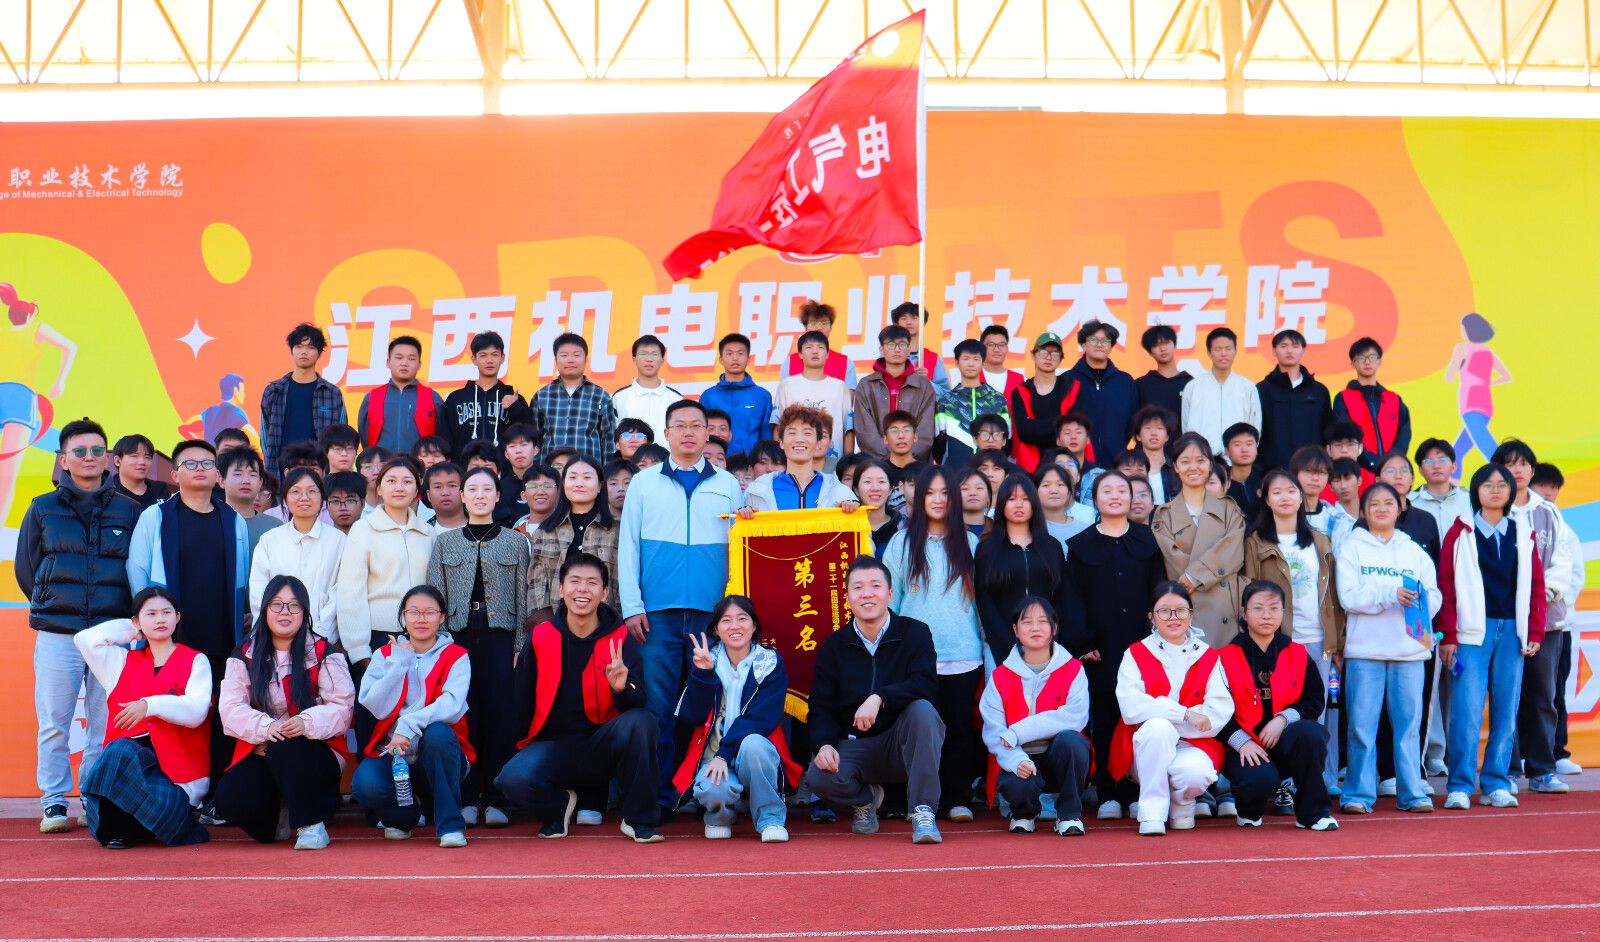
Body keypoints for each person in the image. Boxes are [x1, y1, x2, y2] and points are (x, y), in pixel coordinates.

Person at [617, 399, 743, 814]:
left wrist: (732, 611)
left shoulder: (727, 483)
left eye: (696, 425)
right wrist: (633, 606)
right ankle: (657, 797)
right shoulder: (644, 483)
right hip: (658, 613)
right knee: (659, 707)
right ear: (667, 433)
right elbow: (628, 546)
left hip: (711, 614)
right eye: (680, 426)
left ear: (708, 433)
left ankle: (698, 790)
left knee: (705, 706)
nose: (688, 432)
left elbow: (738, 547)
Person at [14, 418, 140, 833]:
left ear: (108, 458)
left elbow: (136, 569)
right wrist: (55, 605)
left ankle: (92, 796)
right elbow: (27, 569)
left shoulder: (129, 510)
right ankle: (53, 802)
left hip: (110, 634)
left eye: (97, 450)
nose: (89, 457)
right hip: (57, 631)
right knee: (55, 721)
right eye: (80, 451)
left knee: (104, 724)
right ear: (63, 460)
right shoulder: (42, 508)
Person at [497, 553, 663, 842]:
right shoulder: (541, 636)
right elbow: (521, 701)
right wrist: (522, 752)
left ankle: (639, 821)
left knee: (642, 722)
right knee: (511, 779)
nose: (582, 589)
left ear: (605, 592)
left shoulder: (619, 637)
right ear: (561, 589)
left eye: (592, 583)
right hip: (555, 747)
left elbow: (638, 703)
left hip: (604, 745)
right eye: (574, 581)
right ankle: (558, 807)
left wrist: (622, 688)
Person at [126, 438, 250, 787]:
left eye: (207, 463)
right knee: (173, 716)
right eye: (190, 463)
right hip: (172, 640)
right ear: (175, 474)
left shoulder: (233, 520)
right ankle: (171, 790)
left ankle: (217, 795)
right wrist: (151, 625)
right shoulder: (156, 517)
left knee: (221, 716)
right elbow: (138, 572)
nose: (199, 469)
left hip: (222, 638)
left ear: (218, 475)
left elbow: (242, 578)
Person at [804, 556, 945, 843]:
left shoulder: (915, 633)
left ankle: (923, 810)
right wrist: (824, 744)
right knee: (818, 776)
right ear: (847, 598)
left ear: (890, 594)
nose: (867, 594)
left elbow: (926, 685)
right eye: (858, 587)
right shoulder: (834, 646)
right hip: (856, 746)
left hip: (901, 744)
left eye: (875, 586)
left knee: (923, 710)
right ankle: (866, 800)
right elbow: (820, 706)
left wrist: (880, 697)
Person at [214, 576, 355, 849]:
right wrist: (267, 728)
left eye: (294, 605)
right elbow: (230, 709)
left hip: (317, 750)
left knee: (287, 749)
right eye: (277, 604)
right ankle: (277, 818)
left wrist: (305, 723)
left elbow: (343, 707)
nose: (285, 612)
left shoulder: (324, 651)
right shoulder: (244, 654)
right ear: (265, 609)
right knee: (229, 796)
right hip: (264, 746)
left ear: (305, 611)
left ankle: (312, 826)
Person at [1437, 463, 1546, 811]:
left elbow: (1537, 586)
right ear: (1476, 491)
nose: (1495, 490)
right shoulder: (1460, 532)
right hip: (1471, 634)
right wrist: (1448, 635)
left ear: (1511, 491)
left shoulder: (1523, 532)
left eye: (1502, 484)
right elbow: (1446, 587)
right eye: (1487, 484)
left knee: (1506, 711)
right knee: (1466, 712)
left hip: (1512, 633)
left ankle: (1496, 782)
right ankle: (1459, 785)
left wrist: (1535, 630)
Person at [427, 466, 529, 827]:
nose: (480, 495)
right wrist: (440, 644)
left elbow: (524, 596)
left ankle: (497, 798)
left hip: (502, 636)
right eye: (473, 489)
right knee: (463, 713)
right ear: (463, 497)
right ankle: (468, 797)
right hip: (458, 636)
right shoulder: (445, 542)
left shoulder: (515, 542)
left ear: (498, 496)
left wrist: (520, 644)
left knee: (500, 714)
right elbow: (435, 594)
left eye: (488, 489)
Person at [883, 466, 984, 824]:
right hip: (914, 658)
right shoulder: (901, 543)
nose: (938, 500)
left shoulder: (970, 543)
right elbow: (890, 601)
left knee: (957, 729)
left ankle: (957, 798)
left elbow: (979, 603)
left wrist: (984, 644)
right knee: (916, 729)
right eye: (930, 493)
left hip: (962, 652)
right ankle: (913, 798)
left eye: (945, 493)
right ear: (918, 497)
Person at [73, 587, 212, 848]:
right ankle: (131, 829)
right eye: (151, 614)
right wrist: (132, 629)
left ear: (177, 618)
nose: (160, 619)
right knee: (120, 751)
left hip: (176, 783)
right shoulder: (120, 662)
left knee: (122, 752)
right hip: (127, 781)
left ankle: (158, 825)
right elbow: (85, 640)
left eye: (166, 613)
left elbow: (196, 712)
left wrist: (149, 705)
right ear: (137, 621)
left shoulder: (196, 661)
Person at [1063, 471, 1165, 820]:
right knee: (1105, 717)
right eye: (1107, 490)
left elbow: (1158, 589)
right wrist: (1083, 640)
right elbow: (1072, 598)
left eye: (1123, 490)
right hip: (1100, 648)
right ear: (1095, 499)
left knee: (1141, 716)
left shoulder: (1147, 540)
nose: (1116, 496)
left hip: (1142, 646)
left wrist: (1157, 636)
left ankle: (1137, 790)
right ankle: (1107, 790)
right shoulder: (1080, 545)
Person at [1336, 482, 1441, 815]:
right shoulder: (1351, 548)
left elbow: (1434, 596)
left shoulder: (1414, 552)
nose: (1381, 509)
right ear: (1364, 511)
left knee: (1409, 728)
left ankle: (1412, 793)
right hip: (1364, 652)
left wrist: (1420, 602)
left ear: (1400, 509)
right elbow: (1348, 597)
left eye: (1388, 503)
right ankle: (1357, 794)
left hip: (1409, 652)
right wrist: (1389, 594)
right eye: (1374, 504)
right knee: (1361, 728)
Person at [1242, 468, 1343, 791]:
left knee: (1322, 711)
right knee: (1279, 711)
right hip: (1279, 642)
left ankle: (1322, 781)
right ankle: (1286, 784)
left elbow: (1334, 596)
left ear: (1301, 497)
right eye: (1277, 492)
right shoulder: (1256, 542)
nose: (1285, 497)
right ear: (1266, 499)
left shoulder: (1320, 540)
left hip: (1319, 639)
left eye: (1291, 491)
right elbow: (1249, 591)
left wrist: (1337, 641)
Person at [353, 584, 474, 847]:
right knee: (364, 784)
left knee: (438, 733)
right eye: (414, 612)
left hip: (440, 756)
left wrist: (408, 724)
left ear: (442, 617)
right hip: (396, 755)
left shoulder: (457, 656)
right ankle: (404, 818)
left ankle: (451, 826)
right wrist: (398, 662)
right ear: (403, 616)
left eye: (429, 612)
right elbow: (375, 705)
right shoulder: (384, 655)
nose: (421, 619)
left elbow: (452, 705)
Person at [671, 597, 801, 841]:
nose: (735, 626)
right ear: (716, 629)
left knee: (754, 744)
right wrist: (702, 674)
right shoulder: (707, 659)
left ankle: (770, 818)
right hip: (712, 755)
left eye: (742, 619)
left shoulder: (769, 662)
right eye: (726, 620)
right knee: (713, 790)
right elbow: (692, 716)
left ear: (754, 625)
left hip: (751, 753)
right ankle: (720, 816)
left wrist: (725, 753)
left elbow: (761, 719)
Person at [1110, 583, 1233, 836]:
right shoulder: (1135, 653)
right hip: (1147, 747)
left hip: (1194, 743)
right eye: (1164, 611)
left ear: (1191, 614)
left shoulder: (1209, 656)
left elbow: (1218, 712)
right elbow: (1131, 708)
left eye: (1181, 610)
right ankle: (1152, 812)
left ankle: (1182, 803)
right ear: (1152, 617)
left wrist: (1168, 719)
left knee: (1195, 772)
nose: (1173, 617)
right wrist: (1184, 715)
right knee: (1158, 728)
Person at [1492, 439, 1576, 795]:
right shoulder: (1491, 508)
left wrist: (1545, 592)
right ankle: (1507, 770)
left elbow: (1562, 559)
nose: (1518, 470)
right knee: (1506, 697)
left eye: (1524, 464)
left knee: (1543, 696)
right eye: (1510, 464)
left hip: (1545, 620)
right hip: (1503, 618)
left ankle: (1542, 769)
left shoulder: (1548, 511)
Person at [1218, 580, 1336, 830]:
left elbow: (1314, 700)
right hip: (1244, 747)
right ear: (1244, 613)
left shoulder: (1297, 652)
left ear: (1283, 612)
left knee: (1310, 734)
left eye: (1273, 608)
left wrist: (1283, 719)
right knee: (1258, 782)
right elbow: (1215, 710)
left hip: (1285, 742)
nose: (1266, 615)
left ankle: (1314, 814)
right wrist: (1242, 742)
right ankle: (1248, 809)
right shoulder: (1225, 657)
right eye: (1258, 608)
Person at [980, 596, 1091, 836]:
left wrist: (1018, 731)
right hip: (1021, 756)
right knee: (1016, 781)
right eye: (1027, 622)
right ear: (1015, 630)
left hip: (1058, 755)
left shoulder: (1073, 669)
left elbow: (1075, 717)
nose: (1035, 628)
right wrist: (1016, 760)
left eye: (1043, 621)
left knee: (1073, 742)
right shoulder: (1000, 676)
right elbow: (994, 732)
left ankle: (1069, 815)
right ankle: (1025, 812)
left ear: (1054, 628)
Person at [335, 456, 435, 671]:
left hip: (423, 633)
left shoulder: (427, 532)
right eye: (391, 481)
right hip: (377, 635)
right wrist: (359, 649)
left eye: (407, 482)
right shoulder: (363, 529)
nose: (399, 487)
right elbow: (350, 591)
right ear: (379, 488)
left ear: (416, 489)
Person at [975, 473, 1084, 665]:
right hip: (1002, 650)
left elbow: (1063, 596)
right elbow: (985, 603)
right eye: (1012, 499)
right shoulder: (986, 549)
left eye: (1025, 499)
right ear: (1002, 505)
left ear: (1034, 504)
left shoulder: (1052, 546)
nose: (1019, 505)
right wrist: (1008, 646)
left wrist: (1052, 638)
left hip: (1048, 647)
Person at [1151, 432, 1246, 649]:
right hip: (1186, 611)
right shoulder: (1164, 515)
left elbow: (1233, 552)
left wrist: (1196, 576)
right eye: (1185, 461)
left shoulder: (1229, 509)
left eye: (1200, 460)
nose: (1193, 467)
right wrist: (1194, 577)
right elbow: (1173, 560)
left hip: (1225, 612)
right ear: (1175, 467)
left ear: (1210, 465)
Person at [527, 453, 622, 636]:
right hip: (556, 628)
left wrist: (616, 624)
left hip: (605, 628)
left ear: (600, 486)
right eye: (572, 477)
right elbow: (535, 585)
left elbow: (623, 581)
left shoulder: (618, 531)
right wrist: (546, 628)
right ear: (563, 484)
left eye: (587, 477)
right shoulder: (544, 532)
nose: (579, 483)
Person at [249, 467, 344, 639]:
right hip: (276, 637)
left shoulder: (338, 540)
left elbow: (340, 592)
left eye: (312, 491)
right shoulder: (269, 540)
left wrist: (320, 635)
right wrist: (274, 632)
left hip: (324, 638)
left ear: (322, 498)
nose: (304, 497)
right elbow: (259, 592)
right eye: (295, 492)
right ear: (285, 499)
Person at [260, 323, 346, 474]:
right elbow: (265, 437)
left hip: (320, 475)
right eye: (299, 346)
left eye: (310, 347)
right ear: (292, 351)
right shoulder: (273, 391)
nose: (304, 352)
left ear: (319, 353)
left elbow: (340, 436)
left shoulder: (332, 394)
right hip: (281, 474)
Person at [742, 405, 858, 512]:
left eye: (807, 433)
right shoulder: (756, 492)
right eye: (792, 433)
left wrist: (851, 512)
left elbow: (858, 527)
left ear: (818, 443)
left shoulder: (840, 494)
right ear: (781, 442)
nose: (799, 439)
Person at [442, 331, 532, 458]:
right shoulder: (455, 399)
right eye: (483, 355)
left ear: (502, 358)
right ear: (474, 359)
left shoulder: (514, 399)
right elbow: (445, 440)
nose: (489, 360)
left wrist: (517, 409)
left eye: (495, 355)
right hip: (465, 468)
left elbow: (528, 437)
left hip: (502, 469)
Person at [854, 325, 937, 462]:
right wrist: (889, 459)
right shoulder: (866, 385)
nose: (897, 349)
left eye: (902, 344)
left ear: (909, 349)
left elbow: (926, 431)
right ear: (881, 349)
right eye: (891, 344)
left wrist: (905, 458)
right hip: (876, 464)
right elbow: (865, 431)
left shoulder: (924, 386)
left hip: (914, 464)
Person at [1255, 328, 1333, 472]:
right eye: (1283, 346)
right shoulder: (1262, 389)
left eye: (1295, 346)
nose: (1289, 351)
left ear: (1303, 351)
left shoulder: (1318, 390)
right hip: (1272, 468)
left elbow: (1328, 430)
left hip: (1311, 468)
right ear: (1274, 351)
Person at [531, 332, 617, 462]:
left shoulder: (600, 396)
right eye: (564, 355)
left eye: (576, 355)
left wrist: (608, 471)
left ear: (585, 359)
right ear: (556, 360)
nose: (570, 360)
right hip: (551, 470)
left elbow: (608, 439)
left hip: (588, 469)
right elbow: (534, 440)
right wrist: (537, 470)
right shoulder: (542, 396)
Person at [1444, 312, 1511, 473]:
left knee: (1489, 449)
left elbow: (1449, 377)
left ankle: (1508, 475)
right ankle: (1454, 486)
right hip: (1486, 404)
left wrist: (1457, 363)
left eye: (1462, 328)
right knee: (1457, 452)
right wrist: (1488, 383)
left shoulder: (1462, 348)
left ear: (1468, 329)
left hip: (1470, 403)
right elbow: (1506, 376)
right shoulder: (1488, 352)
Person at [1332, 337, 1411, 474]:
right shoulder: (1343, 398)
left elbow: (1403, 435)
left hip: (1391, 472)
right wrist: (1374, 462)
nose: (1367, 362)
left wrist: (1390, 463)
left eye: (1372, 357)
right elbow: (1346, 436)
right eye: (1361, 358)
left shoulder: (1394, 399)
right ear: (1353, 363)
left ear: (1379, 362)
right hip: (1358, 471)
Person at [357, 335, 445, 455]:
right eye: (399, 357)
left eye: (411, 358)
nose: (404, 363)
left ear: (419, 364)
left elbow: (441, 438)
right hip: (382, 465)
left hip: (419, 465)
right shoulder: (372, 397)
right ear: (388, 362)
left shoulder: (433, 398)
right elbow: (365, 436)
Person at [1065, 320, 1137, 466]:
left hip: (1116, 462)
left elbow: (1133, 421)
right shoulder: (1067, 380)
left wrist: (1118, 444)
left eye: (1105, 340)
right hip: (1077, 462)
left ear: (1111, 346)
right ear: (1083, 345)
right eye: (1093, 340)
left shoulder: (1125, 381)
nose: (1100, 344)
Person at [1008, 333, 1083, 473]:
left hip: (1067, 466)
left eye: (1055, 353)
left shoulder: (1073, 387)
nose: (1049, 357)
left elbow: (1071, 429)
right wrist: (1059, 424)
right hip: (1031, 469)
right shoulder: (1020, 392)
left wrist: (1035, 426)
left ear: (1060, 359)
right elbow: (1024, 432)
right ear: (1033, 355)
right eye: (1044, 352)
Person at [1181, 327, 1261, 455]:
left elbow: (1255, 427)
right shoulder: (1193, 387)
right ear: (1209, 353)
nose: (1223, 353)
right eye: (1218, 349)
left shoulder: (1247, 387)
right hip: (1202, 458)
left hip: (1236, 460)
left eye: (1228, 349)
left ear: (1235, 351)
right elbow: (1186, 427)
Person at [775, 330, 852, 458]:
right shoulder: (786, 385)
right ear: (800, 354)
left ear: (827, 354)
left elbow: (848, 428)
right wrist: (780, 459)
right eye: (809, 347)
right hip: (795, 459)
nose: (815, 351)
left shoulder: (840, 387)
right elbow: (778, 425)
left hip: (833, 461)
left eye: (820, 348)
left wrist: (849, 463)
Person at [936, 339, 1009, 466]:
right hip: (956, 472)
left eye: (976, 359)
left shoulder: (997, 400)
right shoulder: (945, 402)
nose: (971, 364)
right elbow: (938, 444)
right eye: (966, 359)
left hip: (990, 471)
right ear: (957, 362)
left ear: (983, 363)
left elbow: (1007, 439)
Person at [611, 335, 684, 442]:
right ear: (634, 359)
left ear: (662, 361)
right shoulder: (619, 398)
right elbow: (612, 435)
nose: (649, 359)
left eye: (655, 354)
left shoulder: (676, 399)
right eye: (643, 354)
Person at [217, 448, 282, 560]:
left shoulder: (275, 527)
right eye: (238, 474)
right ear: (222, 480)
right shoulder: (208, 523)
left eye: (252, 475)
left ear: (260, 482)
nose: (246, 481)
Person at [780, 300, 860, 388]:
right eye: (813, 323)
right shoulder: (790, 362)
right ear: (805, 327)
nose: (819, 328)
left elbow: (849, 395)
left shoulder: (845, 363)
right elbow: (783, 394)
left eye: (824, 323)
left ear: (831, 327)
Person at [1410, 438, 1472, 536]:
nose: (1436, 466)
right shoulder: (1409, 503)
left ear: (1454, 467)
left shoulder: (1470, 500)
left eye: (1442, 460)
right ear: (1420, 470)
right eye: (1428, 461)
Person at [1133, 325, 1191, 423]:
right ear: (1150, 352)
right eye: (1156, 345)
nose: (1163, 348)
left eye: (1166, 342)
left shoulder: (1190, 383)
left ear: (1175, 345)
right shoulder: (1141, 384)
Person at [1036, 462, 1093, 552]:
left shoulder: (1084, 530)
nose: (1054, 491)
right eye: (1046, 485)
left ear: (1070, 491)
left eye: (1060, 484)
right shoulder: (1029, 528)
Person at [890, 302, 949, 387]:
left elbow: (945, 392)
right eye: (904, 318)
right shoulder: (888, 355)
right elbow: (878, 387)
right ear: (896, 324)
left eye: (914, 318)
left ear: (923, 323)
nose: (909, 322)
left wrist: (927, 382)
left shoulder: (933, 358)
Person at [1129, 406, 1179, 506]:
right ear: (1138, 436)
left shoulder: (1176, 470)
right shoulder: (1129, 469)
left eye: (1160, 428)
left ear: (1167, 436)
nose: (1154, 433)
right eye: (1148, 428)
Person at [852, 457, 903, 553]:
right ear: (856, 489)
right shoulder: (847, 525)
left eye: (881, 481)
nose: (875, 488)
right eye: (867, 482)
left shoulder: (903, 526)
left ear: (890, 489)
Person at [111, 434, 170, 510]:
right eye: (134, 456)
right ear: (117, 461)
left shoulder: (160, 490)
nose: (142, 462)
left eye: (147, 457)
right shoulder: (107, 492)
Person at [1222, 423, 1263, 521]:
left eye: (1249, 444)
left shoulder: (1266, 477)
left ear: (1256, 449)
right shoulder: (1220, 481)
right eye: (1237, 445)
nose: (1244, 450)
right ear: (1227, 451)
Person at [978, 324, 1025, 401]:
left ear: (1007, 348)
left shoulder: (1020, 380)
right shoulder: (973, 379)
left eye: (1001, 345)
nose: (996, 349)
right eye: (991, 344)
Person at [423, 461, 467, 532]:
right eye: (437, 487)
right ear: (428, 495)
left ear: (464, 492)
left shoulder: (482, 528)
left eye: (452, 486)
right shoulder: (421, 533)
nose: (445, 493)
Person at [958, 467, 993, 539]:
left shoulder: (1000, 531)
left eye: (979, 488)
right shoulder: (945, 531)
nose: (973, 493)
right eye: (965, 488)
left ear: (989, 496)